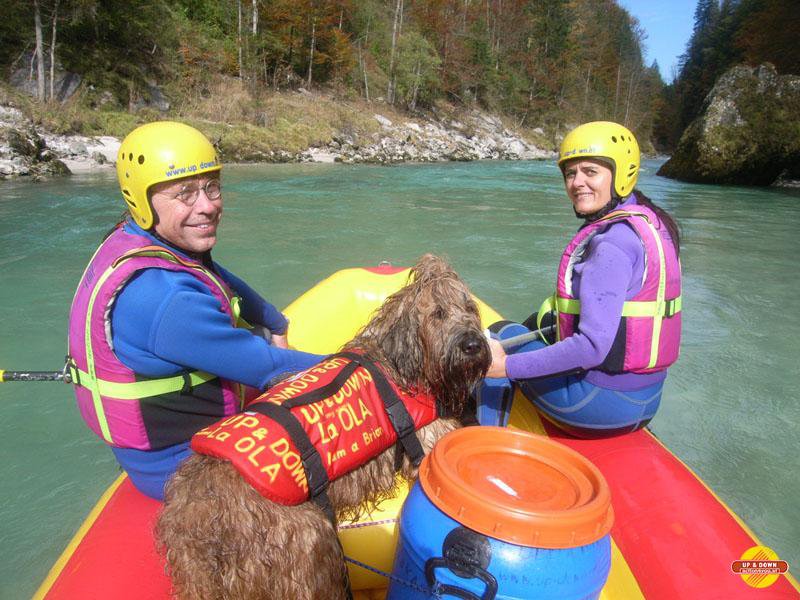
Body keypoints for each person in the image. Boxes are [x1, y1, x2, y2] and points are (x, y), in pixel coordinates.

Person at [67, 121, 322, 499]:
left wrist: (273, 319)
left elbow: (216, 275)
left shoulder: (134, 239)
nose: (207, 206)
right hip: (184, 467)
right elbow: (269, 367)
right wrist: (365, 367)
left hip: (157, 445)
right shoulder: (166, 299)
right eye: (184, 193)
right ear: (142, 200)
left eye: (211, 187)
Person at [486, 121, 682, 438]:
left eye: (591, 172)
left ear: (621, 175)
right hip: (644, 402)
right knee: (533, 325)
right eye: (570, 173)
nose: (577, 183)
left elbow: (591, 348)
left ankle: (483, 438)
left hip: (597, 407)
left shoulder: (611, 245)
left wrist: (503, 367)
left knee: (501, 333)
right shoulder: (650, 223)